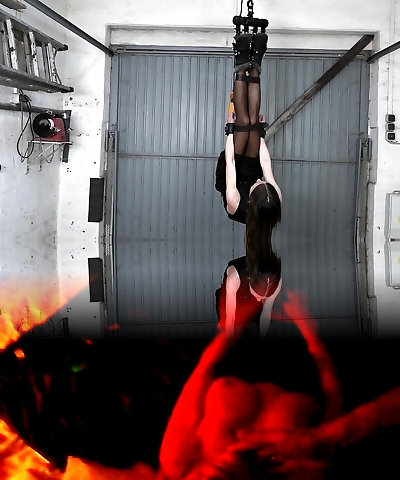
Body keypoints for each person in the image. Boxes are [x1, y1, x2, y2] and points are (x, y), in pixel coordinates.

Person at [215, 32, 282, 230]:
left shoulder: (235, 202)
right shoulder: (274, 199)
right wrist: (260, 134)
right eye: (264, 183)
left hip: (233, 173)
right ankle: (255, 66)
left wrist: (230, 129)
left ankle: (241, 63)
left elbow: (230, 162)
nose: (261, 180)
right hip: (251, 168)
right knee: (252, 122)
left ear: (252, 198)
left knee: (242, 122)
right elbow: (266, 165)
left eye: (259, 184)